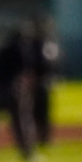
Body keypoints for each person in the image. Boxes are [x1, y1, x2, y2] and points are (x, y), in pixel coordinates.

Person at [0, 28, 34, 162]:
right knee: (19, 123)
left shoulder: (1, 50)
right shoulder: (20, 50)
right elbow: (24, 73)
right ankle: (27, 154)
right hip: (13, 91)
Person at [27, 19, 60, 148]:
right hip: (37, 84)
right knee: (36, 113)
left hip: (41, 84)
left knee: (42, 112)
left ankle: (44, 137)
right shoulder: (37, 47)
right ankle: (40, 137)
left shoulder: (41, 46)